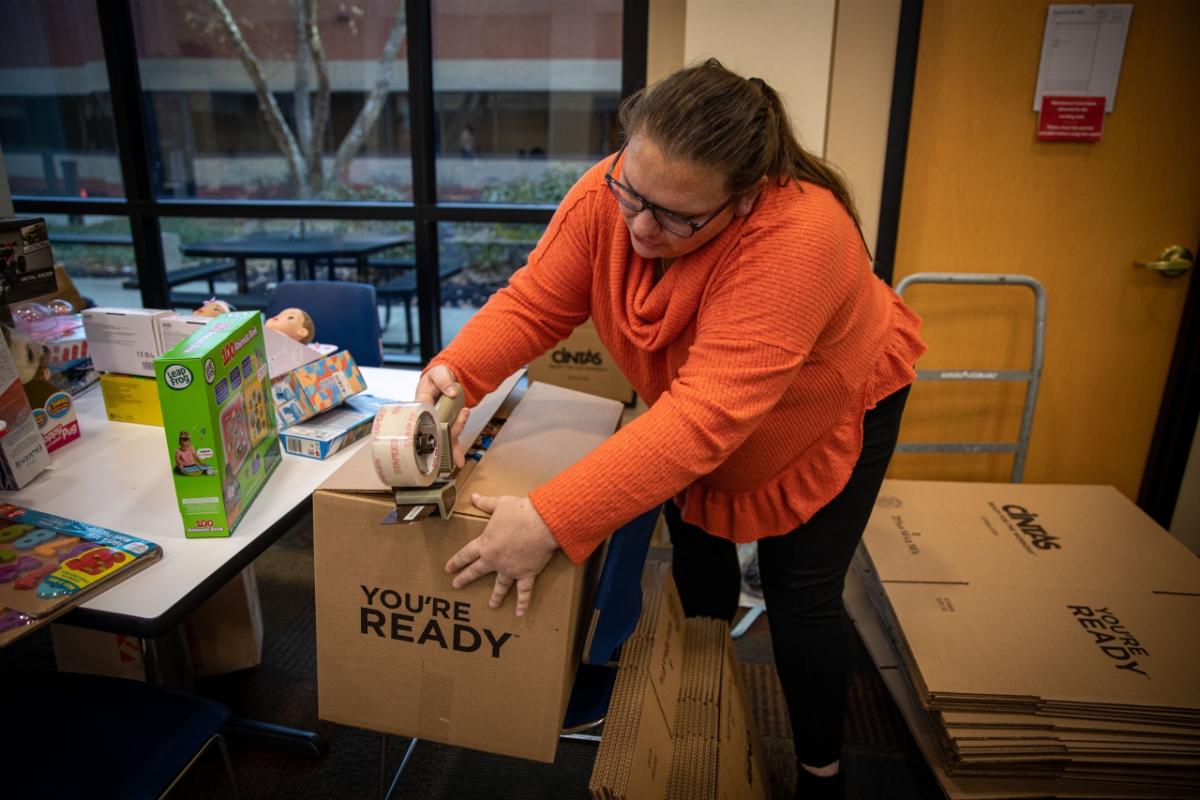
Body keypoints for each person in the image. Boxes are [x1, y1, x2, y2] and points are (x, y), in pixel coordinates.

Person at [415, 59, 925, 799]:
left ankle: (823, 772)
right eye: (632, 192)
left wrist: (553, 519)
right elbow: (535, 305)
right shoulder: (614, 190)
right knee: (697, 542)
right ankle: (699, 690)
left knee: (800, 591)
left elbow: (701, 421)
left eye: (677, 217)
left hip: (830, 401)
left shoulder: (801, 237)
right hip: (705, 398)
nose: (639, 226)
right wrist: (455, 374)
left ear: (744, 201)